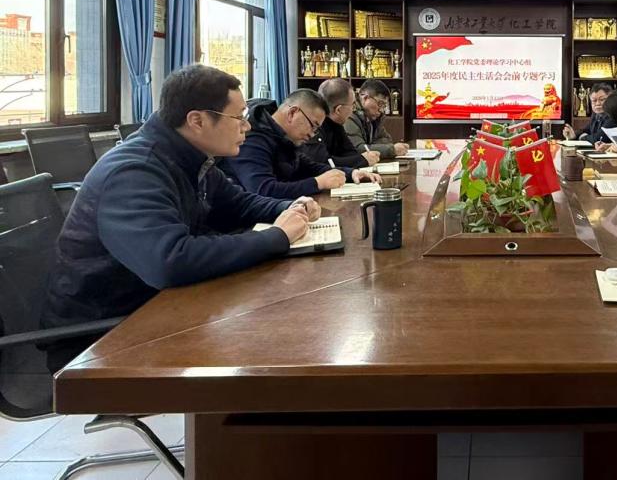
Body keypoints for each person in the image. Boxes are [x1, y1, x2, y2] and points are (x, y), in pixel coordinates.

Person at [40, 65, 316, 370]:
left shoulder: (191, 158)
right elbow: (170, 261)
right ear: (197, 120)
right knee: (269, 347)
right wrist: (277, 236)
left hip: (158, 303)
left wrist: (291, 207)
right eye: (239, 117)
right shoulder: (135, 171)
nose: (247, 127)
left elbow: (238, 204)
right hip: (103, 335)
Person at [223, 89, 380, 198]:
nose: (312, 134)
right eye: (313, 126)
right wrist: (317, 183)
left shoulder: (284, 137)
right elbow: (263, 190)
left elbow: (308, 167)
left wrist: (351, 173)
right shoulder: (252, 138)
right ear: (293, 113)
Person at [300, 78, 379, 170]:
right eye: (352, 104)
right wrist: (362, 160)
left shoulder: (337, 124)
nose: (354, 109)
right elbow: (322, 163)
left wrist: (363, 158)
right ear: (338, 110)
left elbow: (350, 153)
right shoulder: (313, 126)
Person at [346, 79, 409, 160]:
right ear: (365, 98)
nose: (381, 110)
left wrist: (371, 146)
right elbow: (357, 149)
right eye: (380, 104)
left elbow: (387, 140)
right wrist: (391, 150)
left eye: (384, 106)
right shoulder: (349, 115)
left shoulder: (374, 118)